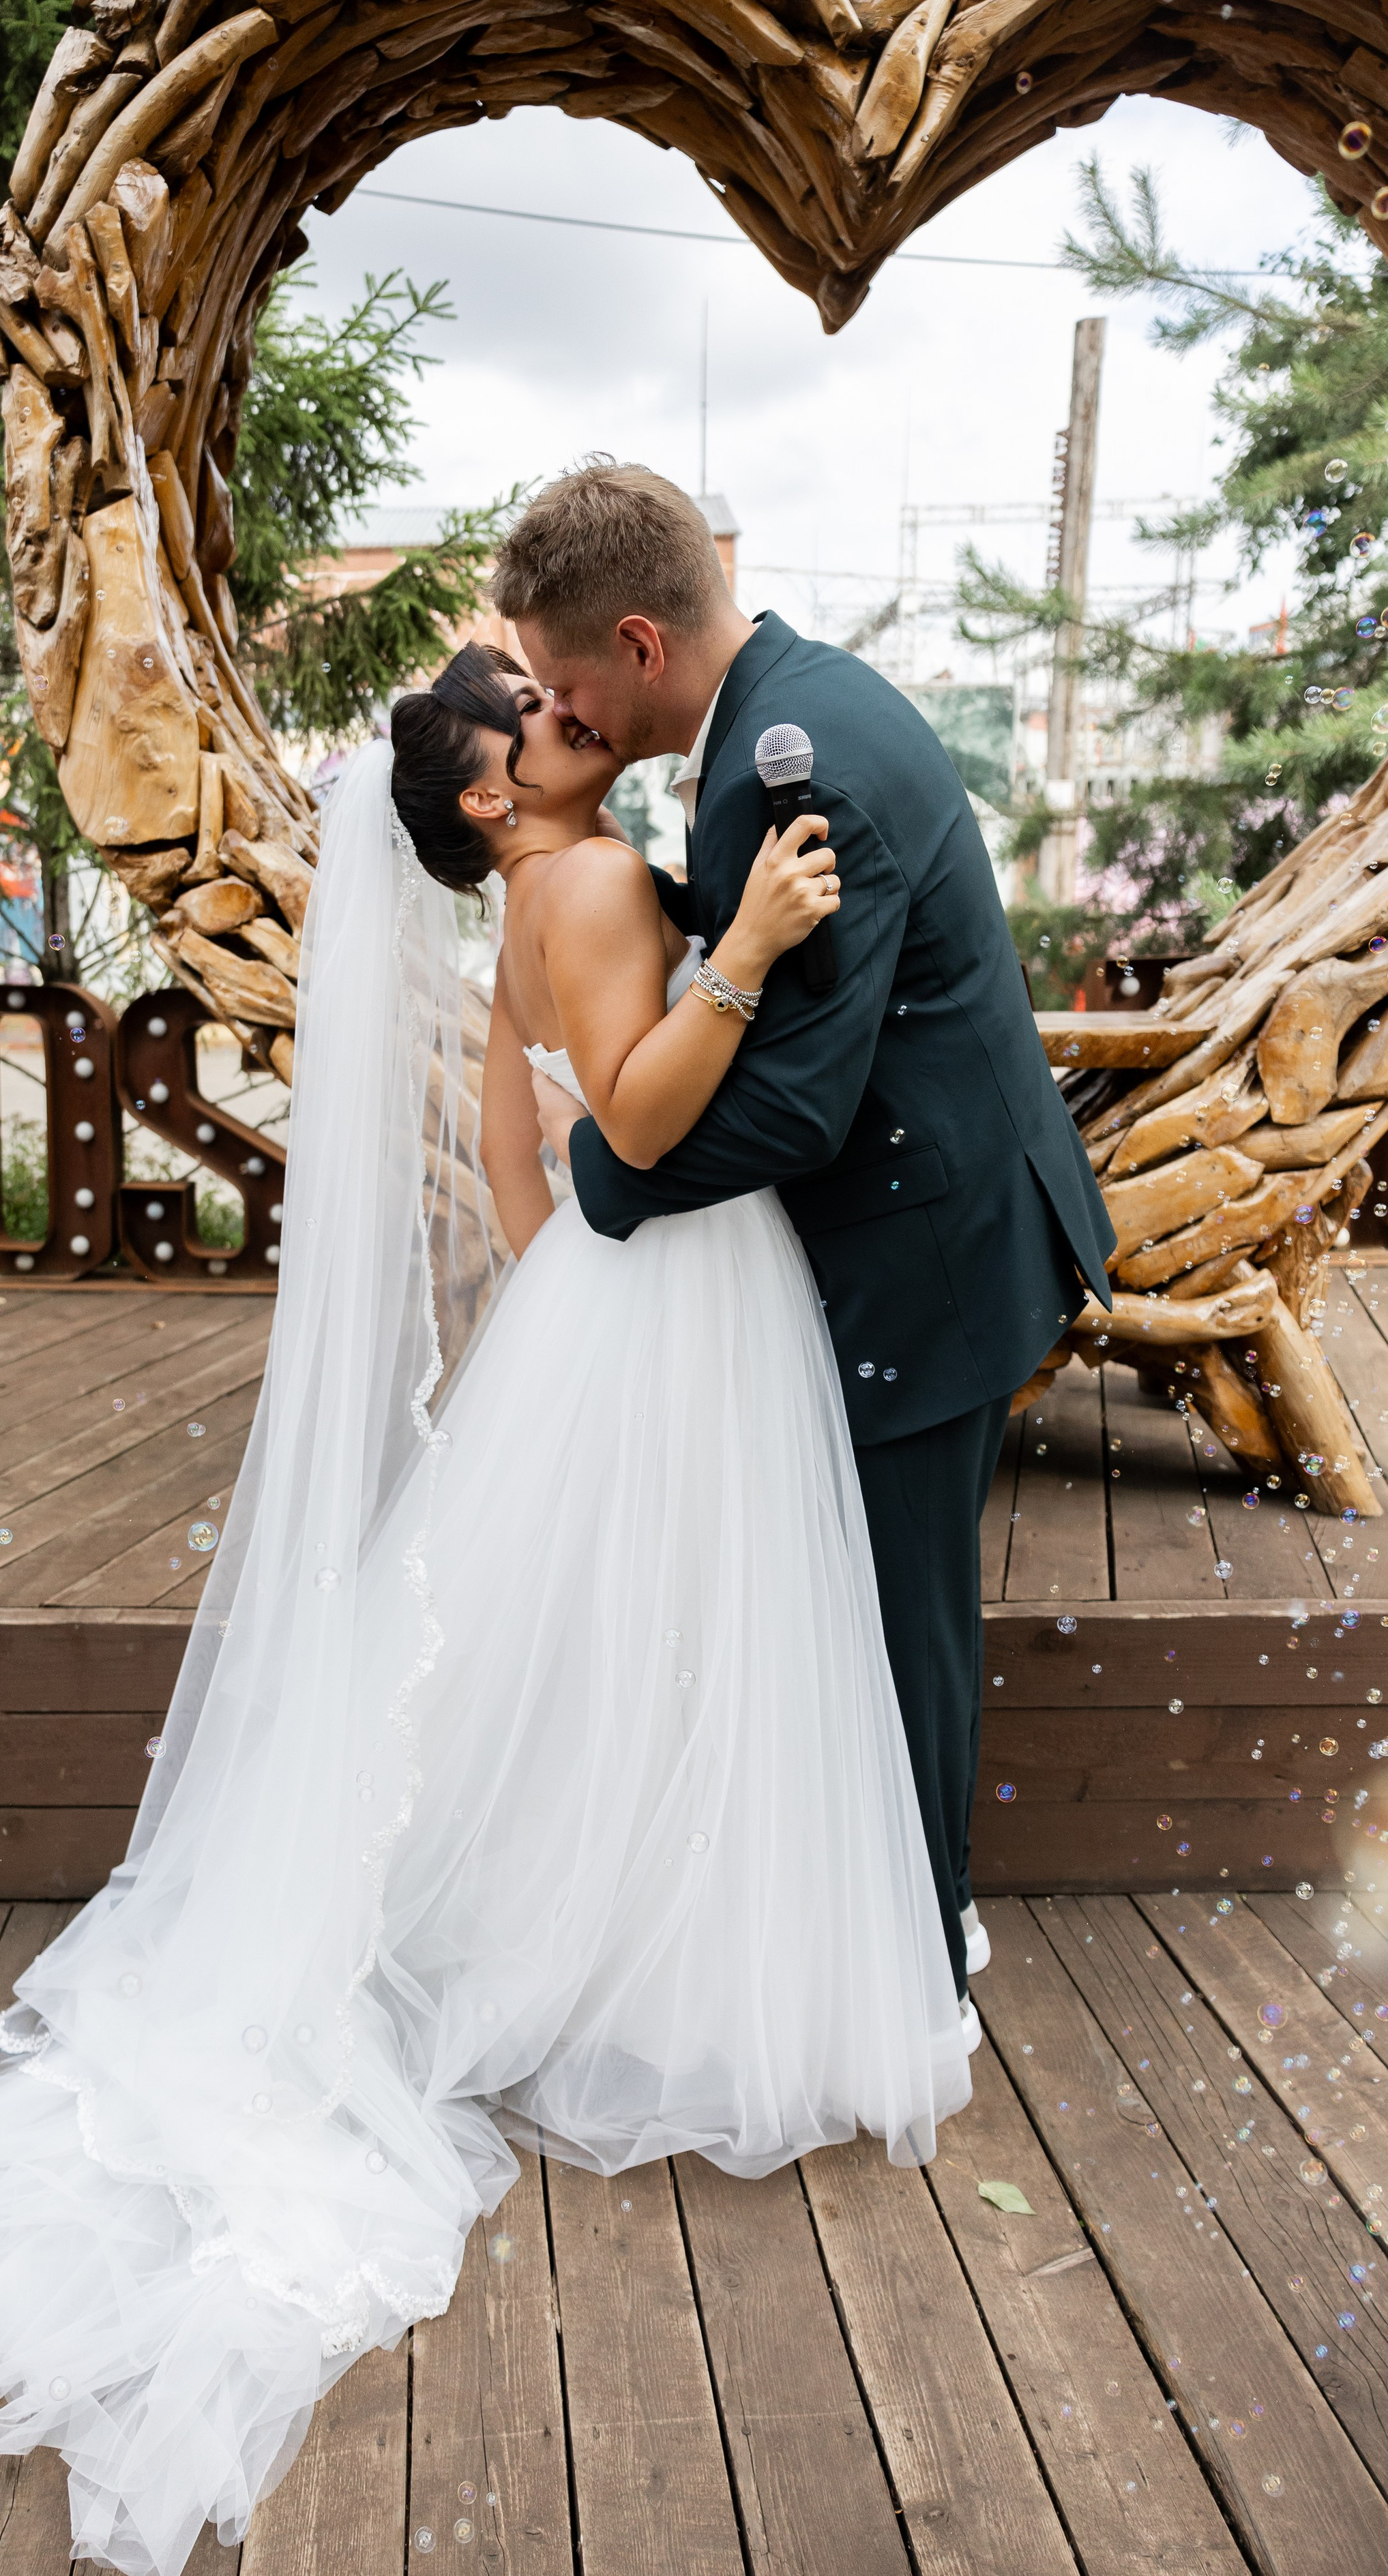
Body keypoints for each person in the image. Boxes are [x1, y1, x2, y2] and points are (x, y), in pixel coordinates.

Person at [0, 646, 970, 2576]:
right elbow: (631, 1124)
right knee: (685, 1648)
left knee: (579, 1660)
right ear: (493, 799)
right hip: (691, 1301)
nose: (574, 721)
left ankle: (605, 1924)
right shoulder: (611, 886)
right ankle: (666, 1947)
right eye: (537, 723)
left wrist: (582, 1327)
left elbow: (516, 1176)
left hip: (602, 1318)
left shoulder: (531, 916)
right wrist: (759, 949)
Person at [491, 462, 1114, 2007]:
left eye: (567, 682)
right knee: (858, 1604)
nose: (562, 716)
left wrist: (605, 1180)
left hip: (934, 1251)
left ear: (637, 643)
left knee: (904, 1630)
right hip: (928, 1216)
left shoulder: (793, 764)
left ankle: (910, 1977)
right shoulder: (788, 706)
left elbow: (798, 1112)